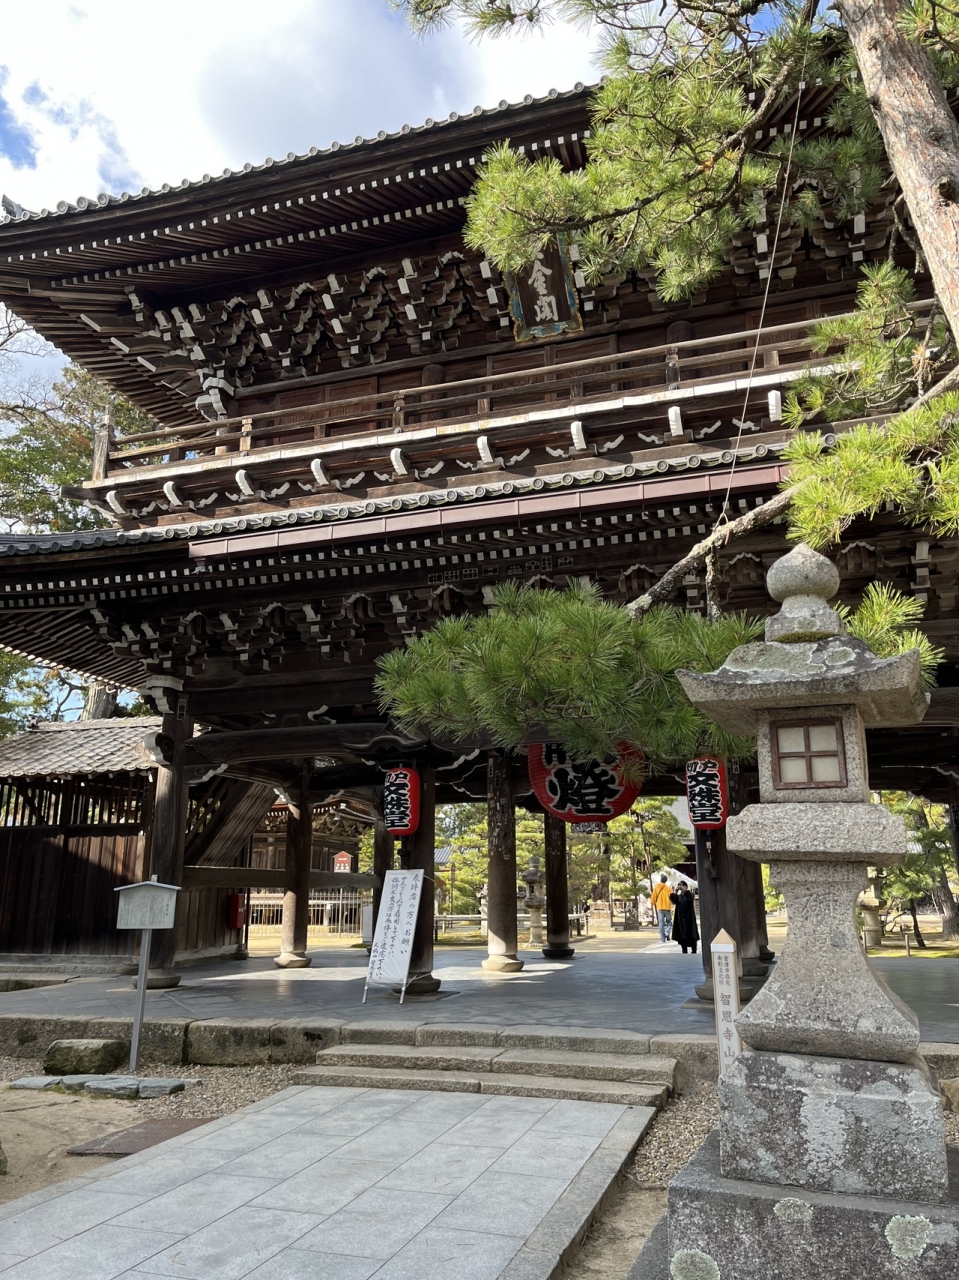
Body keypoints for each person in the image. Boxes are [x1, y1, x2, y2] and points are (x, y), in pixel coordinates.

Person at [670, 881, 700, 955]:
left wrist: (685, 891)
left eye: (682, 886)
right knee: (682, 935)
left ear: (686, 886)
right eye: (679, 886)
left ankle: (694, 950)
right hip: (680, 919)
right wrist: (676, 892)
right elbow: (673, 900)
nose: (681, 887)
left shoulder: (690, 895)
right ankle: (684, 950)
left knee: (691, 934)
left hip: (689, 918)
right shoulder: (678, 897)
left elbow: (690, 899)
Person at [650, 874, 673, 944]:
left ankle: (663, 939)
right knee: (669, 922)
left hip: (660, 907)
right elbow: (672, 897)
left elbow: (653, 897)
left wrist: (652, 903)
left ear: (660, 880)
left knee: (661, 923)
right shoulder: (668, 888)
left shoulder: (656, 887)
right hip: (667, 907)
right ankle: (667, 932)